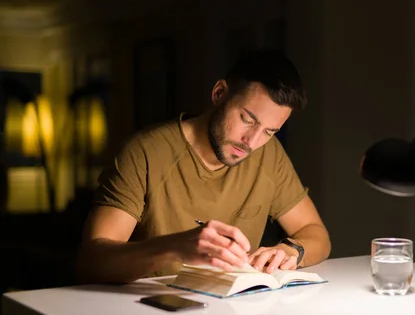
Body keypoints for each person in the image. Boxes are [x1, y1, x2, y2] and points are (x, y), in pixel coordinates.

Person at [75, 49, 331, 284]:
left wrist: (291, 250)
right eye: (246, 119)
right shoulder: (144, 152)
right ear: (219, 93)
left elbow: (317, 235)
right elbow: (93, 261)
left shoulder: (269, 154)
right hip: (148, 314)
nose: (251, 142)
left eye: (269, 131)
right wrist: (174, 247)